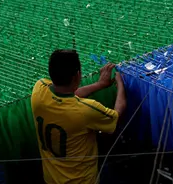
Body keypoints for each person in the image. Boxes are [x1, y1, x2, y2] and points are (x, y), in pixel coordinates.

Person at [31, 49, 126, 184]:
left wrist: (99, 84)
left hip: (51, 179)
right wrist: (121, 84)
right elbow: (116, 115)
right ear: (77, 75)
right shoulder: (85, 110)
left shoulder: (39, 90)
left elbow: (66, 95)